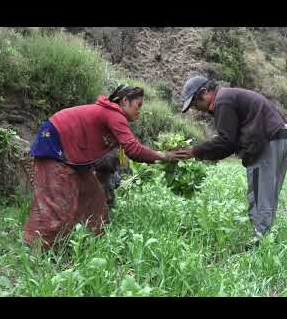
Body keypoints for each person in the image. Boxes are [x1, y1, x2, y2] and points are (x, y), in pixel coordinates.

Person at [24, 85, 184, 249]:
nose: (139, 111)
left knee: (94, 198)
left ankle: (89, 245)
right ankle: (40, 252)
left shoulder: (111, 114)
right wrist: (164, 156)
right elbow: (134, 149)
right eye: (138, 105)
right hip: (54, 143)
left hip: (74, 156)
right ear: (125, 101)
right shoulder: (114, 114)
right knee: (57, 204)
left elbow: (125, 152)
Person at [176, 76, 287, 246]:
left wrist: (195, 151)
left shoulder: (222, 101)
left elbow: (226, 141)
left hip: (268, 140)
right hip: (282, 137)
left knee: (260, 192)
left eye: (195, 104)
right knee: (268, 193)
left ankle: (261, 243)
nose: (196, 109)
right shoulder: (228, 97)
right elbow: (229, 141)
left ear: (204, 93)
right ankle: (264, 236)